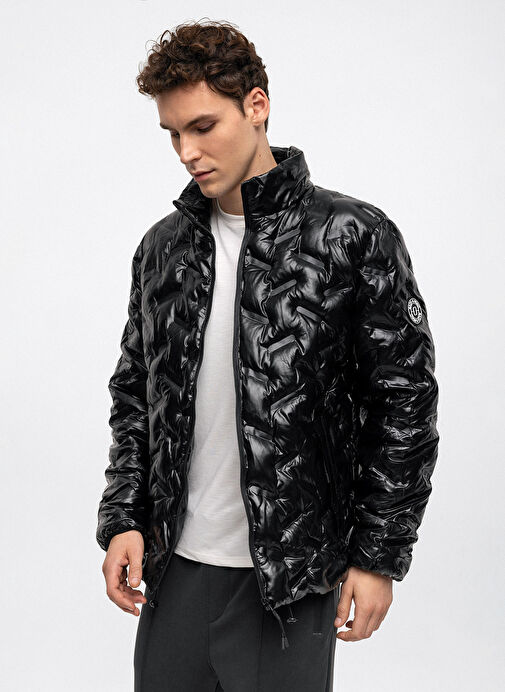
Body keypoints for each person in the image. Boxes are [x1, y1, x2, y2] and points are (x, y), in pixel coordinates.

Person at [96, 19, 439, 692]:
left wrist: (378, 556)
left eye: (202, 126)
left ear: (257, 106)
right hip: (175, 569)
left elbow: (403, 404)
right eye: (172, 133)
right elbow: (135, 392)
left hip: (290, 578)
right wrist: (124, 519)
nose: (187, 151)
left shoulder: (351, 236)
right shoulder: (163, 248)